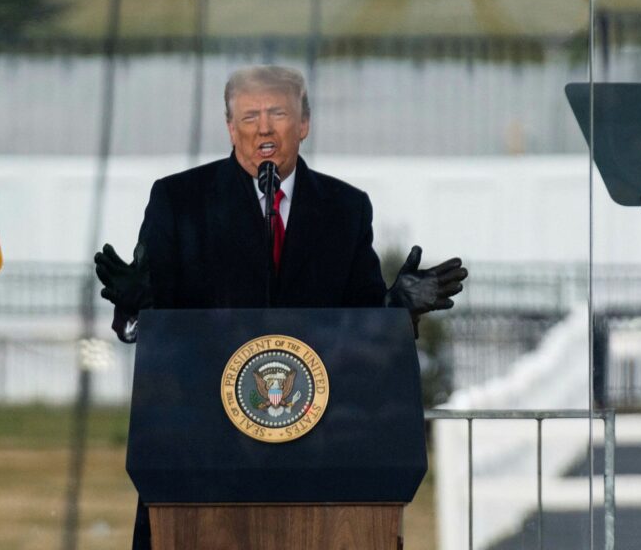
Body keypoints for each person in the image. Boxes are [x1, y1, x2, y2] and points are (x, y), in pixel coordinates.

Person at [94, 65, 467, 550]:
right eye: (249, 116)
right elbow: (150, 322)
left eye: (278, 113)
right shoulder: (180, 201)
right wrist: (136, 308)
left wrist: (396, 312)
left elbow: (362, 333)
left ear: (304, 123)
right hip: (203, 460)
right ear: (230, 128)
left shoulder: (345, 209)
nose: (264, 128)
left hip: (322, 461)